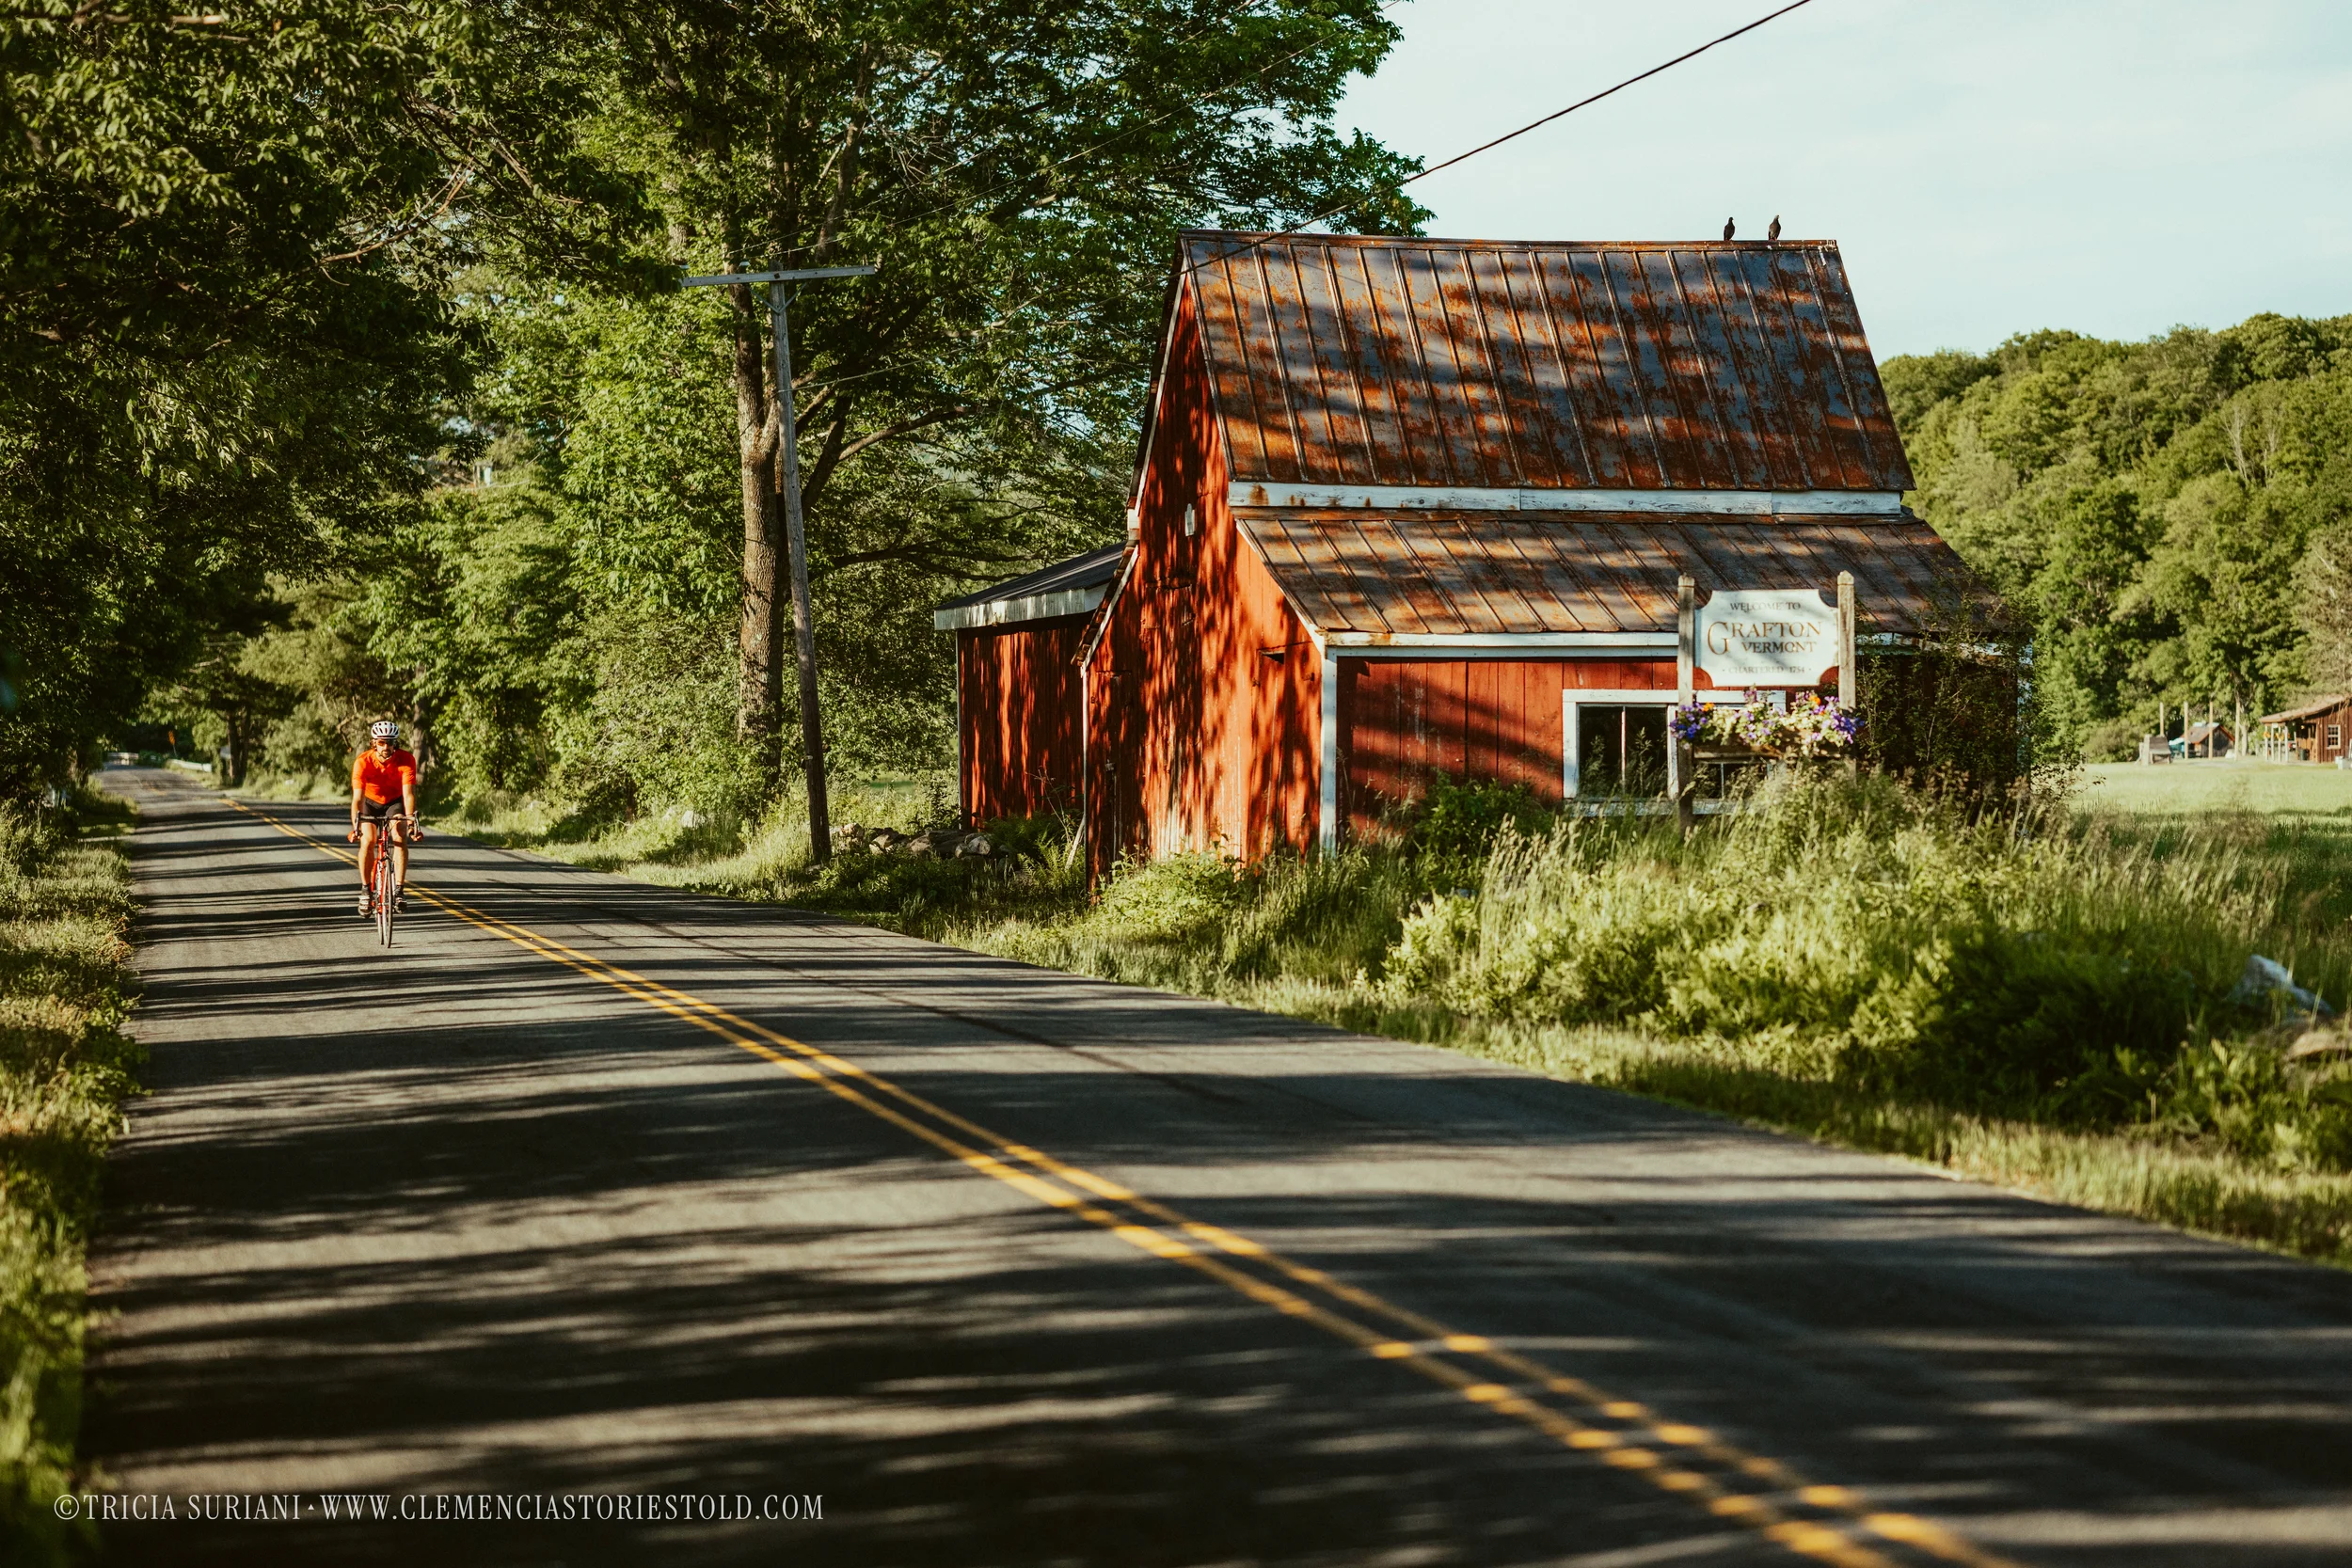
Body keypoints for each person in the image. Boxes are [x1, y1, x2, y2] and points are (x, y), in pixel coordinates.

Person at [347, 720, 423, 915]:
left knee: (399, 835)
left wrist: (412, 822)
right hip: (370, 803)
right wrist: (356, 826)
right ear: (374, 743)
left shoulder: (406, 760)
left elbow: (408, 795)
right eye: (381, 742)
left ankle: (398, 890)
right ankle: (366, 891)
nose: (386, 747)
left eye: (389, 742)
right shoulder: (362, 762)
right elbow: (357, 799)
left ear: (395, 743)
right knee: (369, 840)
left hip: (394, 802)